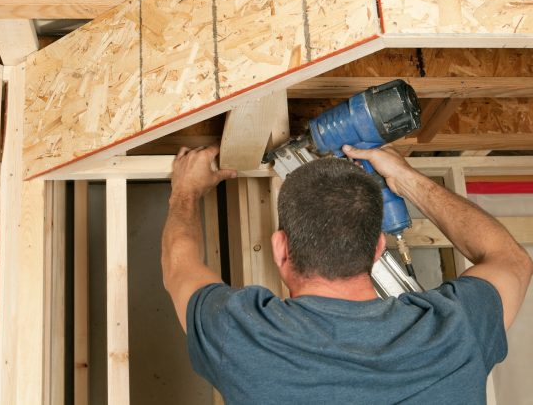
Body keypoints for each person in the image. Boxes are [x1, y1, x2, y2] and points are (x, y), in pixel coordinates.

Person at [161, 144, 532, 404]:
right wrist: (405, 178)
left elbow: (179, 266)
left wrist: (186, 192)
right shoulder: (457, 330)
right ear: (377, 250)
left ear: (280, 249)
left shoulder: (241, 335)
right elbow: (512, 260)